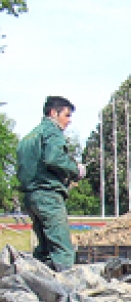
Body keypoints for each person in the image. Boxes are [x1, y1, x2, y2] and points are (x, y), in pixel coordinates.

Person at [16, 95, 86, 272]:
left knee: (45, 250)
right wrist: (75, 170)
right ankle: (65, 293)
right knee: (62, 250)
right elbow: (54, 158)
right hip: (48, 196)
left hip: (31, 197)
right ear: (54, 113)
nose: (69, 121)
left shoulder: (29, 136)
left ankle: (40, 285)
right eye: (67, 115)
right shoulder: (52, 132)